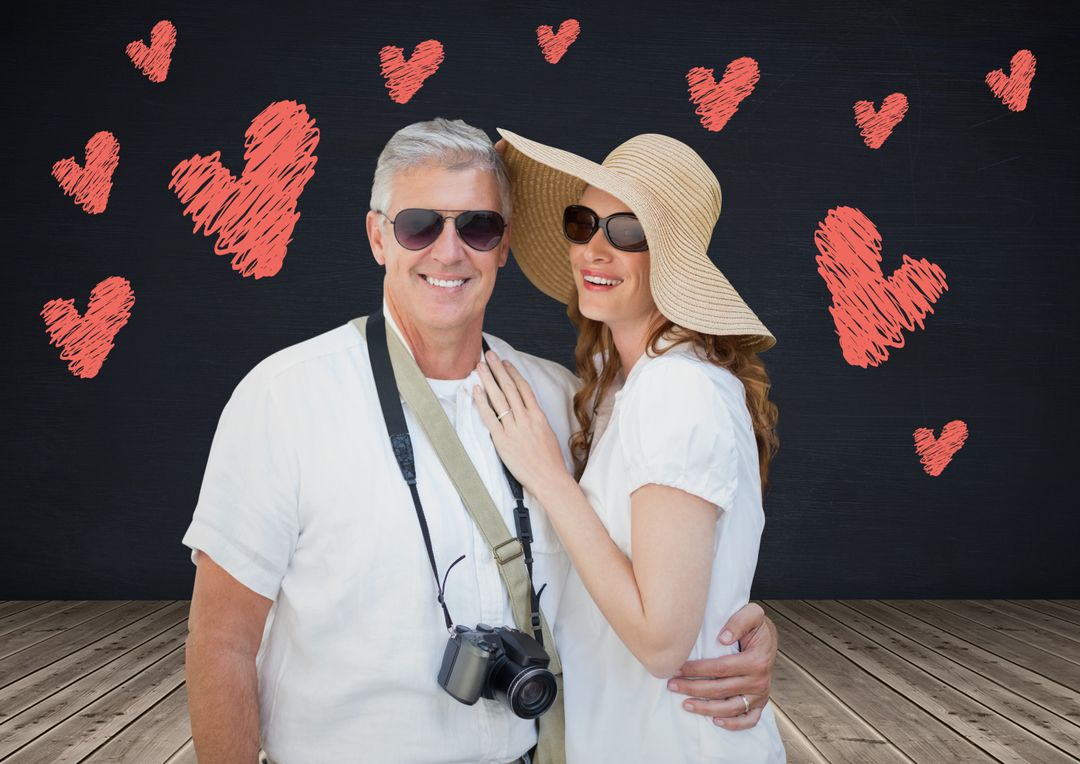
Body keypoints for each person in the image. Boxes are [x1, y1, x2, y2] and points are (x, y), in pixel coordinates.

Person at [181, 118, 779, 764]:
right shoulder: (283, 399)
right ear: (378, 237)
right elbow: (221, 640)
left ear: (503, 244)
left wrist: (731, 630)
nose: (449, 252)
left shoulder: (562, 403)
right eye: (419, 226)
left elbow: (662, 568)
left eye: (477, 227)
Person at [471, 129, 786, 762]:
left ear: (673, 260)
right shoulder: (625, 385)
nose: (595, 248)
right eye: (583, 223)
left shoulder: (677, 389)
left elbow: (662, 642)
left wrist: (549, 478)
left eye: (628, 232)